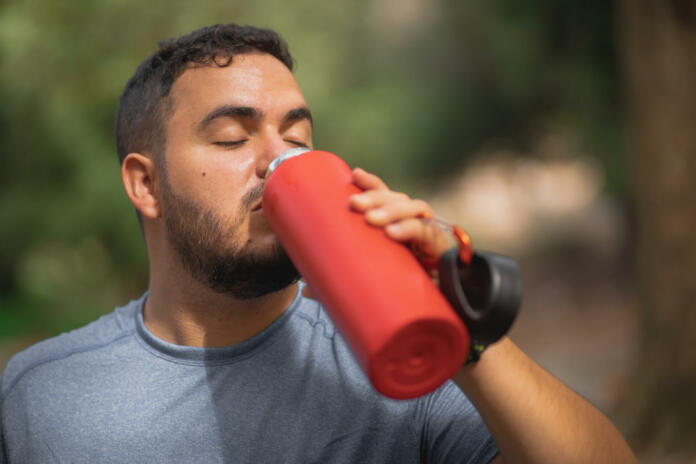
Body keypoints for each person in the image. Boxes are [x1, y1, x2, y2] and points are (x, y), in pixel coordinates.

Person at [0, 24, 636, 463]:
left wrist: (465, 333)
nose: (279, 162)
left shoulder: (397, 357)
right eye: (231, 138)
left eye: (297, 139)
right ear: (146, 184)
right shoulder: (43, 392)